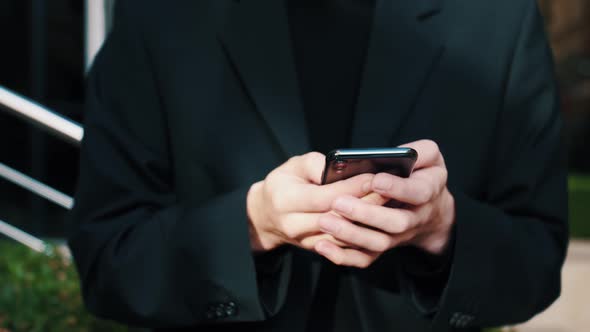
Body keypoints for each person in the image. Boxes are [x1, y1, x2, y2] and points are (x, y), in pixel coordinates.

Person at [68, 0, 569, 331]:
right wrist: (250, 224)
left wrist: (443, 230)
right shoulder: (163, 15)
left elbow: (538, 261)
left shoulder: (496, 16)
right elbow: (108, 260)